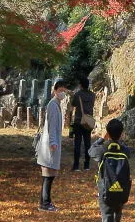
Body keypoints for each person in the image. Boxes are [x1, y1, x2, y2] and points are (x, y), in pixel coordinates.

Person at [89, 118, 132, 222]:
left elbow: (90, 151)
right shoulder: (125, 151)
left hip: (105, 191)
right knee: (116, 219)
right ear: (121, 134)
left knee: (107, 221)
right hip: (121, 191)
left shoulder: (102, 150)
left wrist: (101, 138)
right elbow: (128, 151)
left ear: (108, 132)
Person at [35, 79, 69, 212]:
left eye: (64, 91)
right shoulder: (53, 105)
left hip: (51, 144)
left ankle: (45, 201)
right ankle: (45, 203)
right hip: (50, 145)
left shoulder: (56, 104)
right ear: (55, 91)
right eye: (60, 90)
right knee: (48, 175)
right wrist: (53, 142)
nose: (62, 93)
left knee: (49, 174)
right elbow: (51, 126)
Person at [70, 77, 96, 171]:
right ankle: (87, 165)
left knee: (77, 143)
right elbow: (91, 105)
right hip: (88, 122)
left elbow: (73, 105)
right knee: (87, 143)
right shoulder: (93, 95)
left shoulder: (78, 95)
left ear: (80, 85)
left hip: (78, 121)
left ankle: (76, 165)